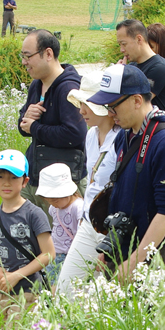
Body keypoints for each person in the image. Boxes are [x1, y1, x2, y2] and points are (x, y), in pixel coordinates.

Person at [86, 65, 165, 281]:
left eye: (114, 107)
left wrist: (135, 262)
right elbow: (121, 195)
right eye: (107, 108)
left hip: (157, 251)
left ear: (137, 100)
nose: (110, 115)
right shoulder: (126, 134)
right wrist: (108, 249)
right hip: (125, 244)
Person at [55, 74, 121, 296]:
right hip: (88, 221)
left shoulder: (121, 138)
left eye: (87, 104)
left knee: (105, 296)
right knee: (65, 290)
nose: (81, 110)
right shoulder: (91, 135)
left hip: (110, 227)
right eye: (81, 104)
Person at [0, 150, 55, 320]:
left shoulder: (34, 214)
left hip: (27, 290)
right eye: (0, 177)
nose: (6, 183)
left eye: (13, 177)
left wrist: (17, 275)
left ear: (25, 181)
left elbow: (49, 254)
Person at [18, 29, 86, 206]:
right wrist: (25, 120)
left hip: (61, 187)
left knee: (57, 234)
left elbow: (75, 134)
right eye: (22, 56)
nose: (24, 62)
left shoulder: (68, 88)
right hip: (35, 177)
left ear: (48, 53)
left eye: (28, 56)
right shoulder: (36, 85)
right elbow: (24, 126)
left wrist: (35, 128)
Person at [36, 163, 82, 285]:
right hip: (54, 253)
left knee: (62, 287)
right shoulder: (54, 208)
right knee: (49, 284)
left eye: (55, 200)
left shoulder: (78, 207)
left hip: (69, 255)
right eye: (49, 200)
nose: (53, 204)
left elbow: (81, 232)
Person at [116, 19, 165, 114]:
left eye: (124, 44)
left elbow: (136, 103)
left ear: (139, 39)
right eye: (119, 45)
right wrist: (117, 74)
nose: (121, 49)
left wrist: (120, 77)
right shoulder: (131, 67)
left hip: (153, 127)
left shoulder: (159, 68)